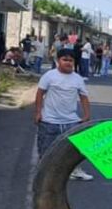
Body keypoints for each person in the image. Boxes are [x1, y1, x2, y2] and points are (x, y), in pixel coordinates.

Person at [35, 48, 93, 180]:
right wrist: (38, 112)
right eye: (64, 60)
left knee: (75, 150)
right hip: (49, 121)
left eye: (71, 60)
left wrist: (86, 115)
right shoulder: (49, 76)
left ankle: (75, 171)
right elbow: (40, 94)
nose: (68, 63)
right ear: (58, 61)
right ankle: (43, 175)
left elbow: (84, 97)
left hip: (71, 121)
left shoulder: (78, 79)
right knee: (46, 150)